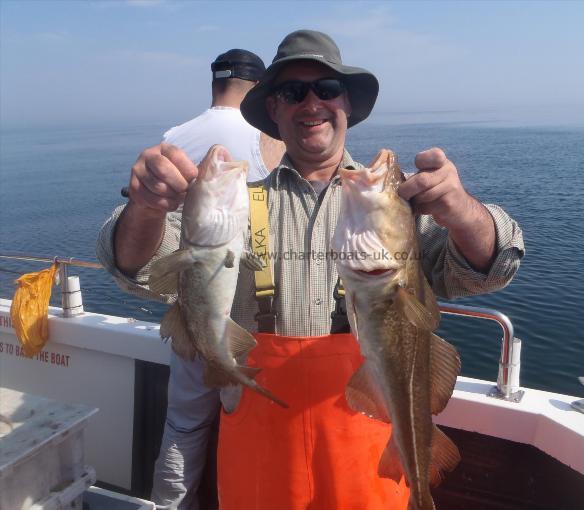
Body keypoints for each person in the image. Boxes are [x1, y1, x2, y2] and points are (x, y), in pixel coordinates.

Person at [98, 30, 525, 509]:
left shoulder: (397, 203)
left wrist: (463, 211)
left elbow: (491, 267)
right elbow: (133, 268)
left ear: (347, 103)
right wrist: (146, 207)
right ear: (274, 111)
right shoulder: (235, 201)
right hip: (259, 458)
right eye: (292, 92)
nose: (312, 103)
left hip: (365, 455)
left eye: (326, 88)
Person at [97, 49, 284, 510]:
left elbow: (145, 239)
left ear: (214, 84)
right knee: (256, 428)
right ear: (260, 89)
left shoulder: (175, 138)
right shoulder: (271, 136)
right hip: (254, 320)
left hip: (189, 309)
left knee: (183, 427)